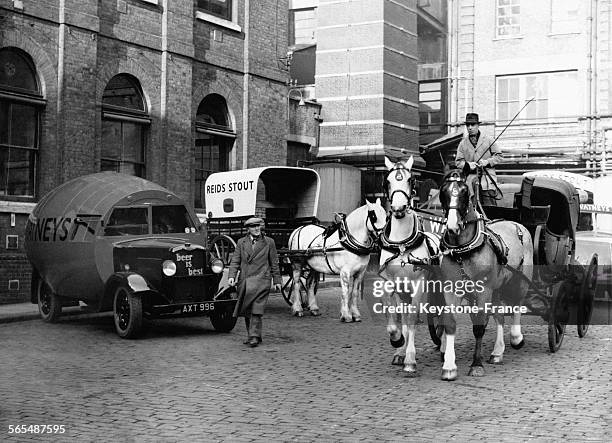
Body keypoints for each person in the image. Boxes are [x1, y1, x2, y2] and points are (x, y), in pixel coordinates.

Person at [227, 217, 282, 347]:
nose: (257, 229)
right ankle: (253, 334)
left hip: (262, 280)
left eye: (258, 226)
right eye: (253, 227)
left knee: (256, 308)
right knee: (247, 308)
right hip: (245, 281)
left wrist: (277, 280)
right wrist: (232, 275)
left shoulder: (269, 242)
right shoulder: (241, 242)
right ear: (248, 229)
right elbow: (235, 260)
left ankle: (254, 336)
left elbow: (274, 263)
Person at [455, 113, 503, 207]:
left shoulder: (488, 140)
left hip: (487, 181)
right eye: (468, 125)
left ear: (478, 125)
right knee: (471, 210)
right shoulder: (462, 144)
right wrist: (468, 165)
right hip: (470, 182)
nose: (470, 127)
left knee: (490, 209)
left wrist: (487, 162)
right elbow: (458, 162)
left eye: (472, 125)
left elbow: (499, 157)